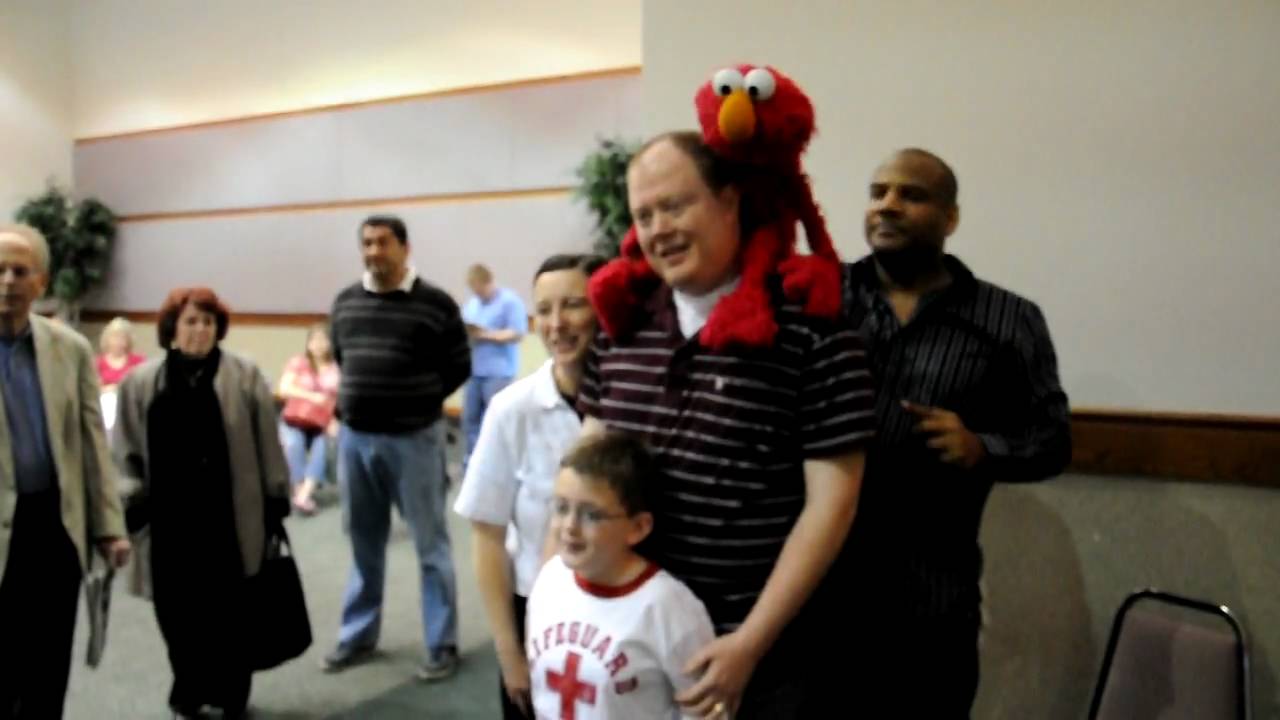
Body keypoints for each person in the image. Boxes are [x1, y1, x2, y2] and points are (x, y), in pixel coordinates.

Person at [577, 132, 876, 718]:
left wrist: (750, 644)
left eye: (674, 205)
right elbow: (582, 476)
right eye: (644, 214)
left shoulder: (813, 331)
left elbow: (831, 508)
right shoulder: (621, 326)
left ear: (730, 200)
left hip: (758, 655)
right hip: (631, 643)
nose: (658, 228)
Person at [836, 148, 1071, 717]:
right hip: (821, 597)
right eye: (877, 192)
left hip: (931, 600)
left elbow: (1053, 440)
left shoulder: (1008, 319)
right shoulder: (823, 297)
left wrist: (982, 447)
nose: (887, 205)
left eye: (910, 194)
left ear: (950, 218)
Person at [113, 286, 292, 719]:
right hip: (169, 522)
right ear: (172, 328)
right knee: (177, 614)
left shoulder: (244, 375)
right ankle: (187, 689)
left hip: (229, 517)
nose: (200, 330)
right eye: (191, 321)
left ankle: (232, 693)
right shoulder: (140, 382)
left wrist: (275, 500)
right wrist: (130, 500)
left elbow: (268, 444)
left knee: (231, 613)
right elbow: (125, 452)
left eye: (208, 322)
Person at [453, 253, 605, 718]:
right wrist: (509, 654)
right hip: (538, 616)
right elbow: (488, 535)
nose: (556, 324)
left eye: (574, 305)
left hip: (622, 614)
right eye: (544, 309)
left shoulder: (636, 403)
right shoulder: (512, 410)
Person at [323, 215, 471, 682]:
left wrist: (419, 400)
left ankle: (442, 642)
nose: (373, 251)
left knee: (431, 545)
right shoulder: (345, 303)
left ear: (404, 248)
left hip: (414, 440)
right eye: (366, 243)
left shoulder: (436, 304)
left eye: (382, 243)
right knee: (365, 543)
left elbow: (459, 365)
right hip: (356, 439)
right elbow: (343, 359)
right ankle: (359, 635)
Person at [0, 224, 131, 719]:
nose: (8, 281)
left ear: (41, 282)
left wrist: (109, 526)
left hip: (54, 527)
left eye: (20, 270)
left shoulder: (70, 348)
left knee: (49, 661)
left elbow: (93, 444)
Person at [526, 433, 716, 720]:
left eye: (591, 515)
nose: (569, 527)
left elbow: (703, 710)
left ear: (638, 527)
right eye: (562, 507)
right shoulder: (550, 580)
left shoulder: (668, 608)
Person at [461, 263, 527, 471]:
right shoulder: (472, 304)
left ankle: (498, 466)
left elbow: (517, 333)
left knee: (496, 421)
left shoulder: (510, 301)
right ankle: (473, 463)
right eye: (474, 290)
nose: (477, 293)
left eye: (480, 288)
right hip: (474, 370)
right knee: (470, 419)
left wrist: (486, 335)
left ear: (489, 282)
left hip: (499, 371)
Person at [277, 323, 340, 514]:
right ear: (308, 344)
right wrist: (312, 396)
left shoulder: (337, 368)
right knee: (293, 444)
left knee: (324, 446)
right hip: (295, 418)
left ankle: (304, 493)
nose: (319, 344)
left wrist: (336, 419)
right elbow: (284, 389)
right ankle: (298, 490)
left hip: (323, 422)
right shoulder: (299, 362)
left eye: (324, 339)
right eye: (314, 340)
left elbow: (342, 398)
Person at [96, 315, 146, 390]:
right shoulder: (98, 363)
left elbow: (142, 387)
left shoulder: (139, 362)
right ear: (107, 339)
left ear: (129, 340)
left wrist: (116, 388)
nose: (118, 342)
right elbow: (93, 389)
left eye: (122, 338)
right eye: (114, 337)